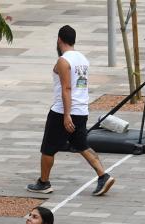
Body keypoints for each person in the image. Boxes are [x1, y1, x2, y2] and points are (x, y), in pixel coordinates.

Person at [27, 25, 115, 197]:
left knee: (48, 149)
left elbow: (66, 88)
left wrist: (66, 115)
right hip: (81, 110)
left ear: (59, 39)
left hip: (62, 111)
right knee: (81, 145)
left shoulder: (64, 60)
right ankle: (103, 176)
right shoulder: (82, 59)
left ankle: (43, 182)